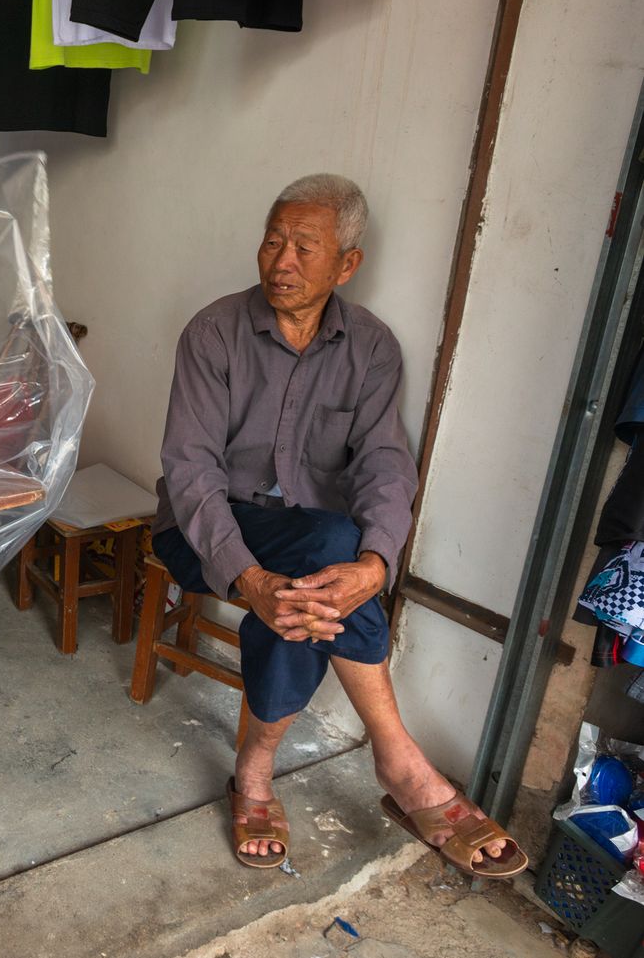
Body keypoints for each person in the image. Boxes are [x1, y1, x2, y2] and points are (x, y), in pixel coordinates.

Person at [151, 174, 527, 878]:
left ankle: (257, 773)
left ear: (347, 264)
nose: (280, 262)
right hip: (200, 530)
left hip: (301, 539)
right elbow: (190, 469)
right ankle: (400, 762)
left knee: (324, 569)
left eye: (303, 247)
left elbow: (387, 463)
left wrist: (378, 563)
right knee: (317, 565)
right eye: (272, 241)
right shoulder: (212, 332)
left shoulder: (372, 349)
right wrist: (248, 576)